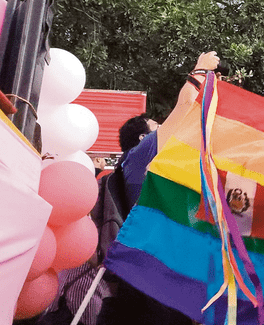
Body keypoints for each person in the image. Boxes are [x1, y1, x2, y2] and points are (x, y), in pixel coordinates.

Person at [97, 53, 220, 325]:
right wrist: (201, 69)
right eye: (157, 127)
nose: (164, 128)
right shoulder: (143, 155)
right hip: (154, 290)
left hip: (141, 282)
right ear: (144, 137)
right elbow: (186, 105)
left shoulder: (133, 170)